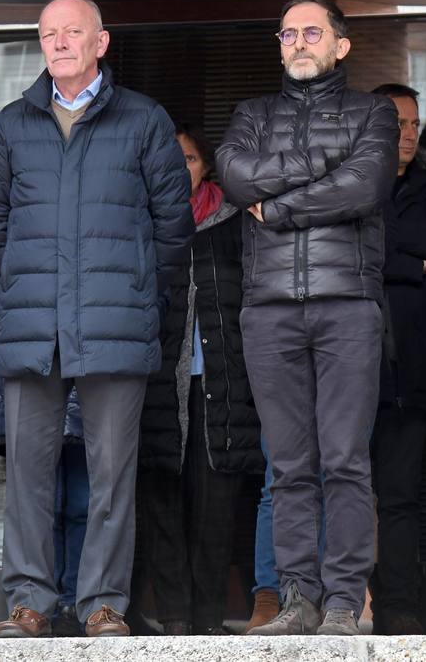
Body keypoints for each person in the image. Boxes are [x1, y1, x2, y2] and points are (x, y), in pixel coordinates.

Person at [0, 0, 194, 638]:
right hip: (33, 326)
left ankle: (103, 602)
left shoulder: (145, 120)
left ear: (102, 42)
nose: (61, 43)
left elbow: (172, 228)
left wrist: (136, 294)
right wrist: (22, 286)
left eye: (74, 32)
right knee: (28, 476)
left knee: (111, 474)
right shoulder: (12, 124)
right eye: (49, 34)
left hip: (114, 326)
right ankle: (30, 603)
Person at [215, 0, 398, 637]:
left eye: (311, 32)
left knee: (345, 459)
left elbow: (367, 185)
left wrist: (283, 207)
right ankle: (299, 597)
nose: (297, 42)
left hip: (347, 304)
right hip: (267, 310)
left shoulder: (373, 110)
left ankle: (345, 599)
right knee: (288, 464)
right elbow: (235, 178)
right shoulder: (251, 114)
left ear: (340, 45)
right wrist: (321, 162)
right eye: (287, 33)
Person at [137, 124, 265, 635]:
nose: (179, 167)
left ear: (205, 166)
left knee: (216, 507)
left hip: (223, 384)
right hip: (156, 384)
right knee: (161, 504)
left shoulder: (237, 224)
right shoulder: (139, 223)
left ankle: (209, 621)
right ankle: (174, 620)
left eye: (188, 159)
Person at [368, 84, 426, 636]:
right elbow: (350, 248)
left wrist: (381, 250)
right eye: (395, 121)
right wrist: (410, 261)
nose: (406, 133)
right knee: (337, 490)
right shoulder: (347, 186)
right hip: (346, 367)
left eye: (413, 122)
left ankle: (398, 604)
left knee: (401, 496)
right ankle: (339, 599)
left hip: (413, 369)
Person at [0, 270, 88, 639]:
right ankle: (34, 605)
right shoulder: (22, 227)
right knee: (39, 502)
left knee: (83, 504)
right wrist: (17, 334)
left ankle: (77, 603)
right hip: (32, 367)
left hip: (88, 376)